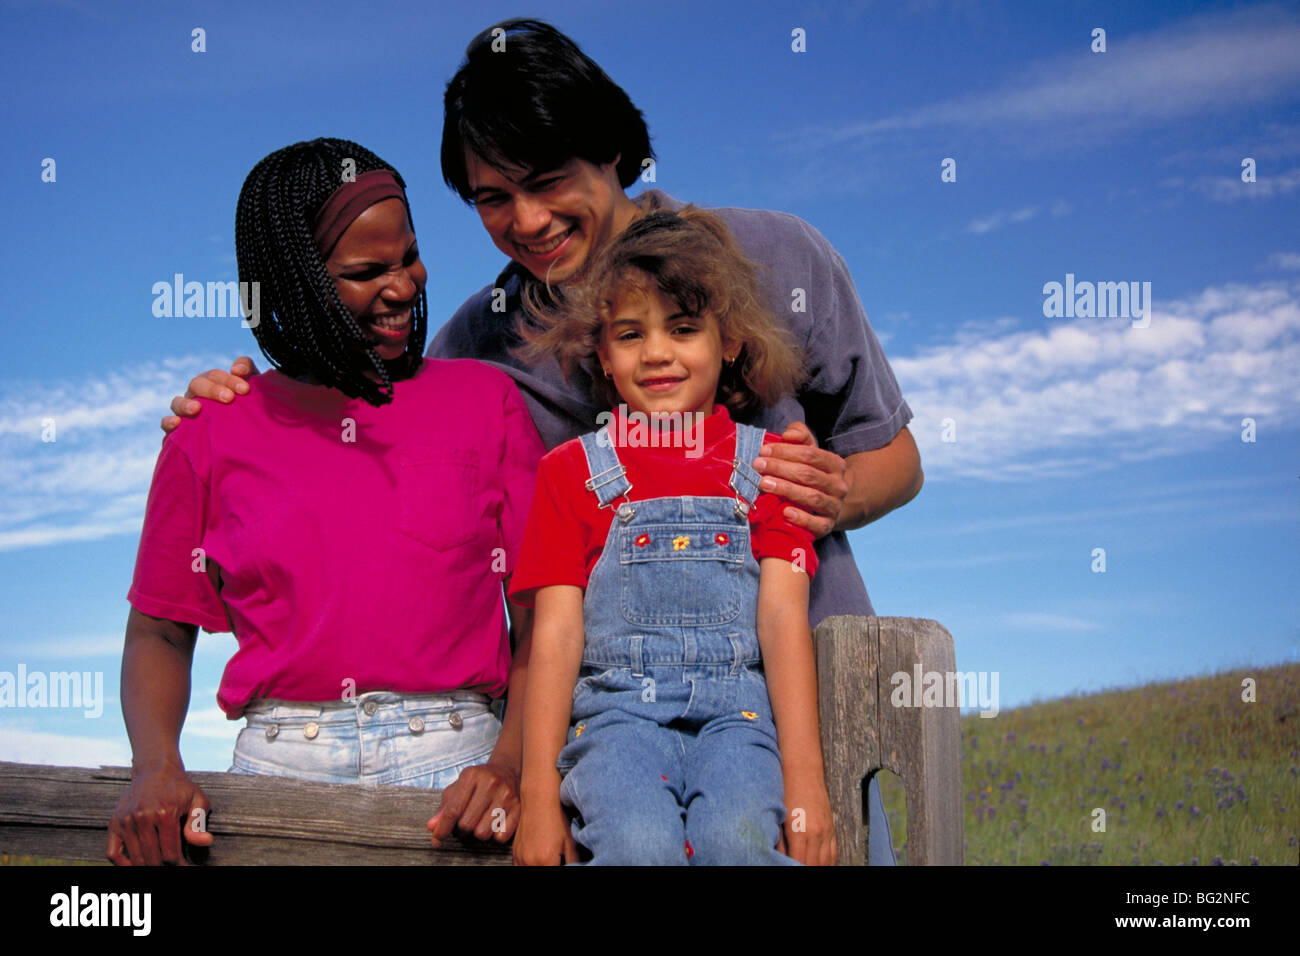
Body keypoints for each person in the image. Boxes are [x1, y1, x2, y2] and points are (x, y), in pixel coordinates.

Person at [164, 19, 921, 863]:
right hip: (609, 741)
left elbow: (898, 458)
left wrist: (831, 492)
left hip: (802, 708)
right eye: (492, 198)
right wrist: (243, 396)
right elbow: (353, 425)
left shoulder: (777, 255)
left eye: (548, 181)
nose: (526, 221)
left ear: (611, 151)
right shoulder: (474, 348)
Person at [108, 138, 544, 865]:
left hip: (457, 776)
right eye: (366, 272)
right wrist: (155, 767)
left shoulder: (485, 400)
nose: (404, 286)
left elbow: (542, 618)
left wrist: (510, 763)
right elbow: (157, 632)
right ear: (293, 284)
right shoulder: (211, 430)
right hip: (271, 778)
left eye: (408, 256)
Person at [510, 207, 837, 865]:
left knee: (738, 843)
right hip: (615, 725)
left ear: (731, 341)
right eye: (630, 334)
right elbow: (555, 636)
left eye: (684, 328)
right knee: (636, 844)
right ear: (603, 351)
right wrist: (539, 798)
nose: (657, 352)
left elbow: (781, 619)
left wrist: (806, 784)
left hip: (739, 724)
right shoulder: (571, 473)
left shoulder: (775, 467)